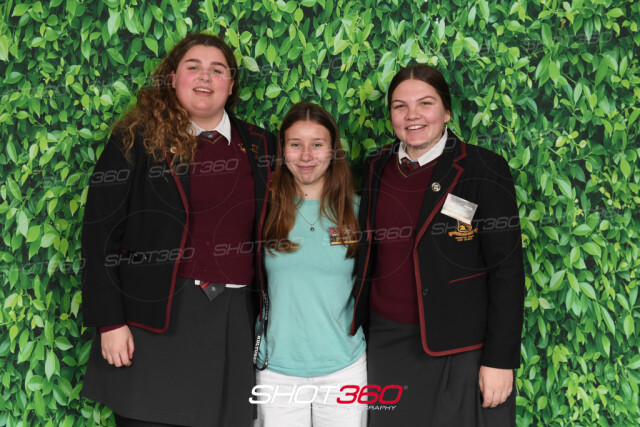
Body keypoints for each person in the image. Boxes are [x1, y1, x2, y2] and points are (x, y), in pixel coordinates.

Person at [80, 33, 276, 426]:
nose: (205, 77)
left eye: (217, 70)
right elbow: (99, 232)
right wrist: (110, 322)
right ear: (172, 78)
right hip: (152, 323)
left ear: (231, 85)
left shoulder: (261, 145)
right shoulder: (136, 139)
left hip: (233, 323)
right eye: (193, 67)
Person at [351, 64, 525, 426]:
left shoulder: (483, 168)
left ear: (446, 112)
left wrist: (499, 360)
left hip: (461, 348)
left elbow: (507, 272)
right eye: (400, 106)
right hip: (387, 342)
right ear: (390, 115)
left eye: (425, 103)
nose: (412, 115)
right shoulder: (375, 167)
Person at [253, 102, 367, 427]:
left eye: (317, 144)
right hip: (277, 370)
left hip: (345, 367)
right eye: (295, 144)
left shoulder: (358, 212)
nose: (306, 156)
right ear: (283, 150)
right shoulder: (264, 211)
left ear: (333, 151)